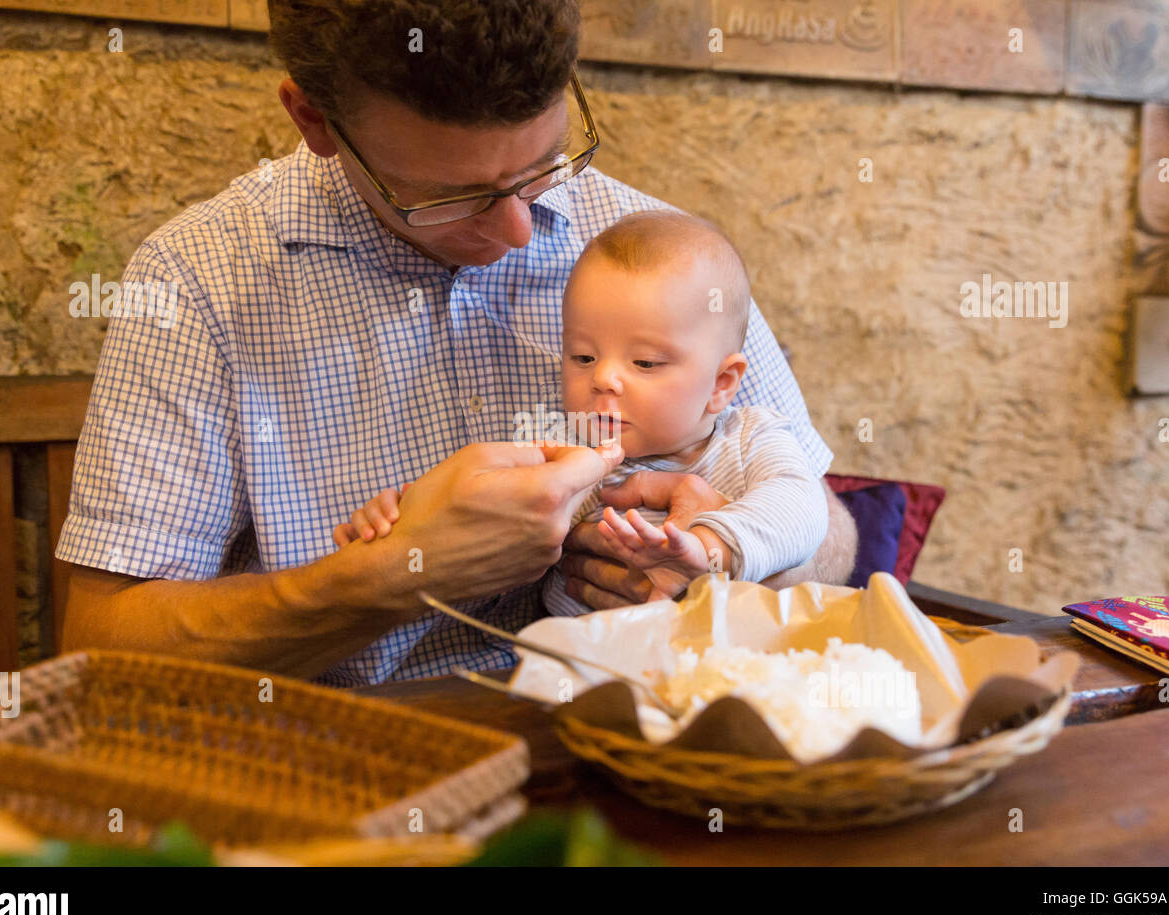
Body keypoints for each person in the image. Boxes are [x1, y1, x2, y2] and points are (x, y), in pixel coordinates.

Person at [57, 0, 857, 684]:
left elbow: (836, 537)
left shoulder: (658, 256)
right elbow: (101, 646)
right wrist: (385, 577)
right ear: (314, 121)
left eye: (545, 164)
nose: (519, 227)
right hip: (348, 779)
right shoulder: (199, 280)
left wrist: (723, 555)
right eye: (451, 197)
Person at [338, 209, 831, 614]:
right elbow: (475, 512)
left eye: (644, 362)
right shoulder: (565, 451)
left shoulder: (750, 440)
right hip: (577, 680)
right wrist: (398, 518)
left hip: (717, 678)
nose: (603, 379)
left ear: (721, 384)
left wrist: (710, 548)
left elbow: (802, 510)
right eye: (583, 357)